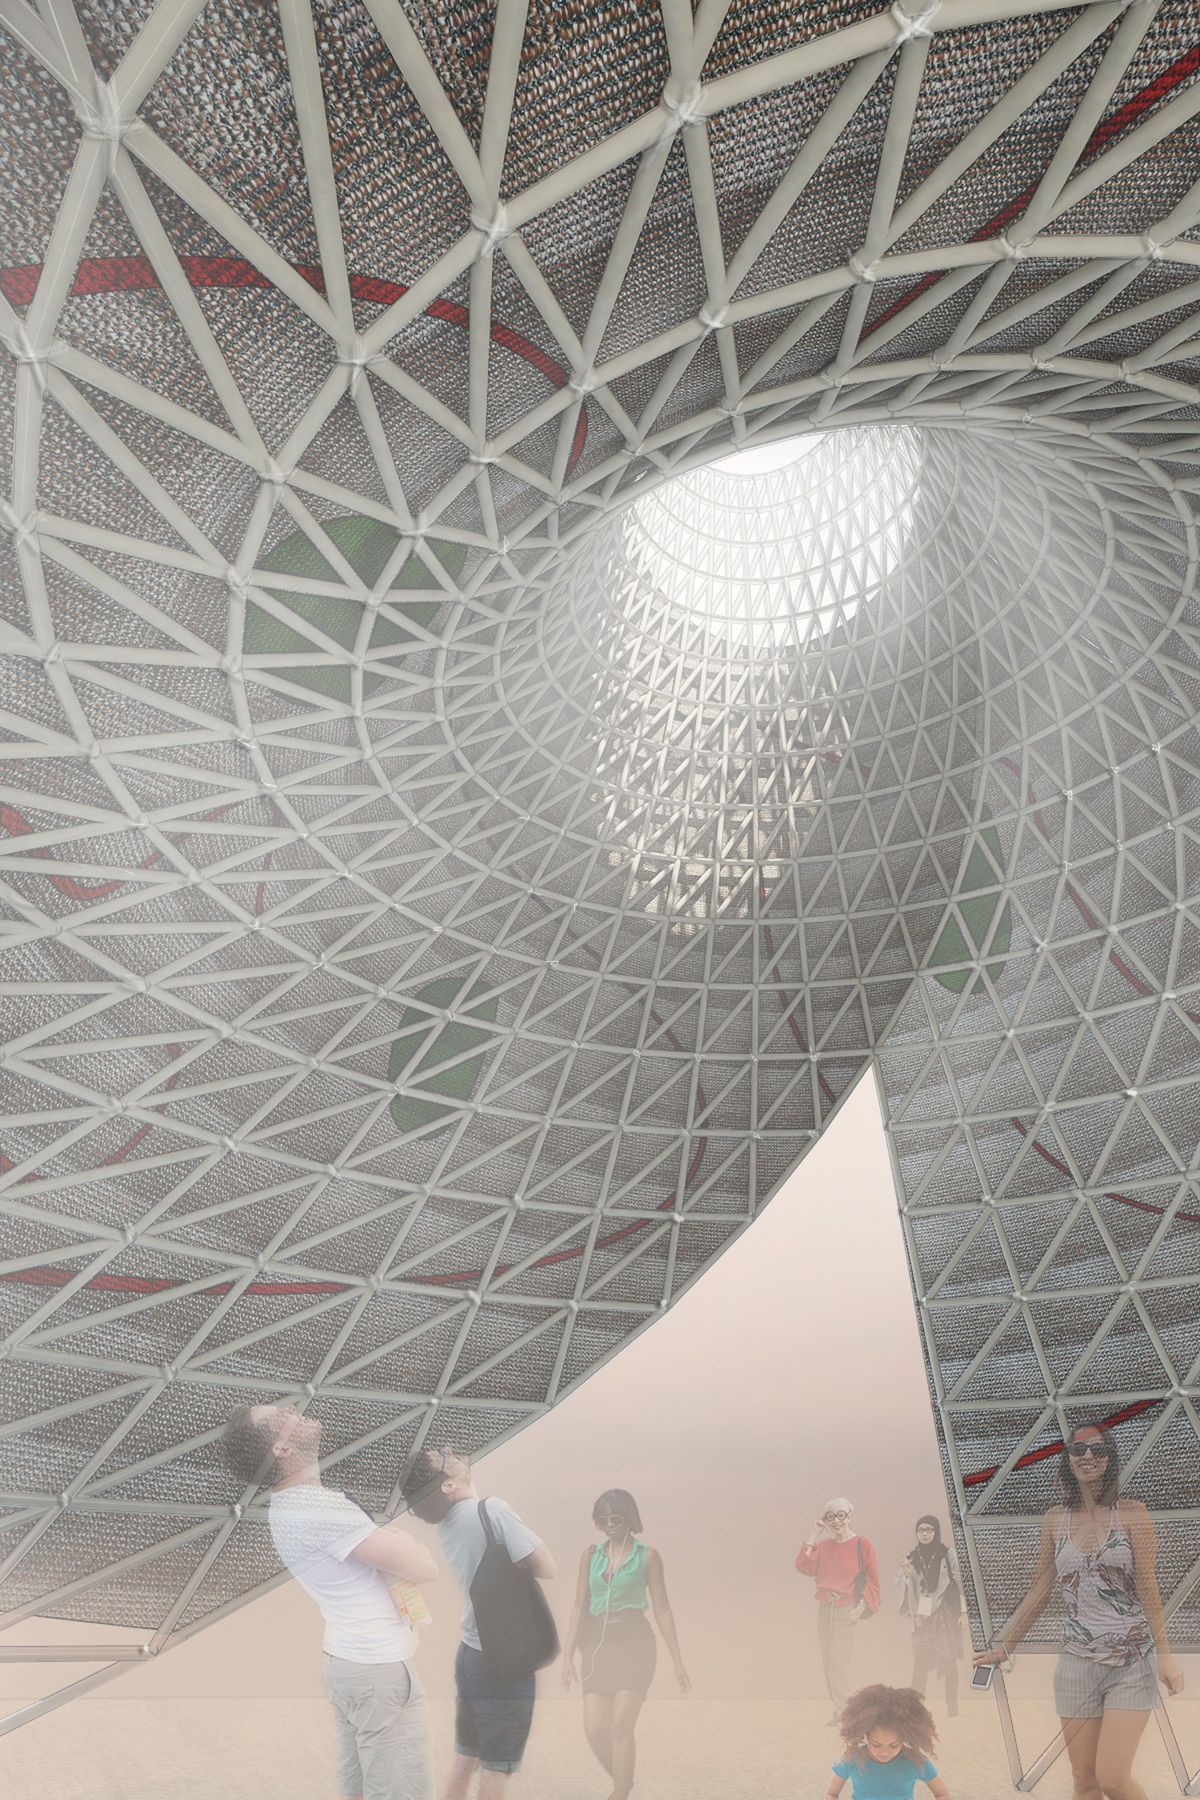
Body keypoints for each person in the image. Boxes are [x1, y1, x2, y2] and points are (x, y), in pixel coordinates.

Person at [222, 1400, 437, 1800]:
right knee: (400, 1789)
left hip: (349, 1665)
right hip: (378, 1671)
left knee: (360, 1786)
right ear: (281, 1450)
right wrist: (407, 1542)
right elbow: (425, 1568)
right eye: (278, 1416)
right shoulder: (319, 1509)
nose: (291, 1407)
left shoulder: (286, 1508)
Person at [973, 1421, 1185, 1800]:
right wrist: (1006, 1645)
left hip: (1130, 1661)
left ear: (1111, 1459)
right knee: (1084, 1782)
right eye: (1079, 1449)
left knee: (1113, 1778)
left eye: (1099, 1449)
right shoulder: (1055, 1518)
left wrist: (1166, 1657)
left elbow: (1149, 1587)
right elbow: (1041, 1586)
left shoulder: (1133, 1513)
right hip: (1075, 1663)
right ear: (1067, 1459)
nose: (1088, 1456)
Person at [401, 1447, 555, 1800]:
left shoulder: (447, 1525)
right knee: (496, 1767)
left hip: (471, 1654)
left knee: (465, 1758)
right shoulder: (493, 1510)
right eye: (441, 1457)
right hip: (503, 1659)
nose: (450, 1451)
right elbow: (548, 1567)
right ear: (446, 1485)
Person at [560, 1488, 690, 1800]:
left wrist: (678, 1661)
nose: (609, 1524)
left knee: (620, 1724)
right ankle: (624, 1782)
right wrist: (567, 1658)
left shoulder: (647, 1556)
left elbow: (662, 1609)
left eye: (615, 1518)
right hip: (597, 1645)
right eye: (602, 1520)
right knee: (594, 1728)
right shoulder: (591, 1556)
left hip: (635, 1642)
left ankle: (619, 1793)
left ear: (629, 1518)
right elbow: (578, 1606)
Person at [796, 1496, 881, 1722]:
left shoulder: (863, 1544)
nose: (836, 1521)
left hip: (846, 1609)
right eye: (830, 1516)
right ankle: (839, 1709)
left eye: (840, 1515)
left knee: (839, 1662)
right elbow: (804, 1566)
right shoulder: (823, 1546)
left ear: (850, 1516)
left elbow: (873, 1580)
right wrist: (814, 1534)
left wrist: (859, 1609)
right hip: (825, 1608)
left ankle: (846, 1713)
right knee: (828, 1660)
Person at [825, 1684, 949, 1799]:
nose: (885, 1752)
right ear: (865, 1735)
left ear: (904, 1738)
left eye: (894, 1745)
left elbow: (941, 1793)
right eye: (876, 1745)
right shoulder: (851, 1759)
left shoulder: (915, 1761)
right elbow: (831, 1793)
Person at [897, 1517, 962, 1717]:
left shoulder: (947, 1554)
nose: (924, 1533)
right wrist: (906, 1575)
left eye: (929, 1529)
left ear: (936, 1532)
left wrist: (964, 1613)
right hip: (921, 1617)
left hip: (944, 1615)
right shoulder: (911, 1556)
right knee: (920, 1660)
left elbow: (960, 1582)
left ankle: (952, 1707)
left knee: (949, 1660)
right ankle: (915, 1707)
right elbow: (903, 1587)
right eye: (921, 1530)